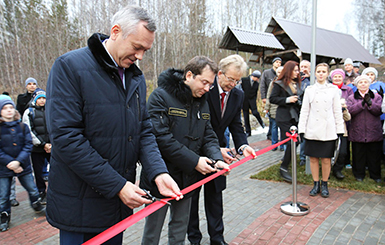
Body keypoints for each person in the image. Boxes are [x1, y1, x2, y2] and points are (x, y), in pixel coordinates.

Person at [45, 5, 181, 244]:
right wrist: (118, 185)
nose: (140, 56)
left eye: (146, 50)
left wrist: (158, 171)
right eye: (137, 47)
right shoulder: (69, 67)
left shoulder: (135, 77)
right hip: (80, 207)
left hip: (116, 206)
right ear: (116, 31)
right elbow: (66, 139)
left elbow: (143, 130)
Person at [140, 56, 229, 245]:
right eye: (204, 82)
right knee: (152, 232)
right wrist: (195, 162)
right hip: (161, 177)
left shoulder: (202, 101)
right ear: (189, 75)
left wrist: (215, 157)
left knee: (179, 230)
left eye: (210, 85)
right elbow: (161, 139)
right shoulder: (160, 97)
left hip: (188, 179)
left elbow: (209, 135)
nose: (207, 89)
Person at [188, 55, 255, 245]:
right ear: (219, 74)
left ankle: (217, 239)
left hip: (219, 155)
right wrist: (214, 149)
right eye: (230, 79)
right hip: (196, 151)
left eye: (237, 80)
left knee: (215, 198)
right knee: (192, 200)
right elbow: (194, 125)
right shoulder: (204, 90)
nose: (233, 84)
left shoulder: (238, 95)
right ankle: (194, 239)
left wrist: (244, 146)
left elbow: (236, 124)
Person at [298, 63, 344, 198]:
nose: (321, 74)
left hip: (328, 130)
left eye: (324, 71)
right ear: (315, 73)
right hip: (312, 129)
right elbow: (305, 110)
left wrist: (339, 129)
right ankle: (315, 183)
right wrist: (302, 129)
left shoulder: (333, 90)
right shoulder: (310, 90)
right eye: (319, 71)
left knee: (326, 159)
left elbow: (337, 111)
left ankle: (325, 183)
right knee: (313, 158)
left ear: (327, 73)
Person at [0, 96, 45, 232]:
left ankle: (36, 205)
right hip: (4, 168)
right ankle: (4, 215)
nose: (9, 110)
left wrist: (18, 161)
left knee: (32, 189)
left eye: (11, 107)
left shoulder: (22, 126)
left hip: (23, 166)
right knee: (3, 195)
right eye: (5, 108)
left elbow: (27, 145)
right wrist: (10, 163)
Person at [269, 61, 302, 182]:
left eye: (298, 70)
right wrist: (287, 100)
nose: (297, 72)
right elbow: (272, 98)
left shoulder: (298, 83)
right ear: (289, 70)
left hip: (295, 116)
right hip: (283, 117)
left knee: (295, 141)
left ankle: (286, 163)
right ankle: (284, 167)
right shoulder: (279, 83)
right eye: (295, 70)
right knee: (292, 141)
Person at [347, 75, 383, 183]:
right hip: (357, 130)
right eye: (360, 82)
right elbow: (350, 111)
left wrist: (370, 103)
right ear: (357, 85)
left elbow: (379, 111)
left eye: (365, 82)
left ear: (369, 84)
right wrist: (361, 104)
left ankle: (375, 175)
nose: (363, 84)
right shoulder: (351, 98)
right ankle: (359, 174)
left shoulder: (377, 97)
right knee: (358, 154)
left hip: (373, 130)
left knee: (374, 155)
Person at [22, 89, 50, 204]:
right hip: (37, 148)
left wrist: (52, 143)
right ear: (35, 99)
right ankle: (42, 192)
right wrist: (42, 144)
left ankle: (56, 191)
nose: (42, 100)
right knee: (38, 173)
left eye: (44, 98)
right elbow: (29, 130)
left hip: (51, 147)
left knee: (57, 170)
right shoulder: (29, 112)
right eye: (40, 98)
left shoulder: (51, 110)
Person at [330, 69, 353, 180]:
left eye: (340, 76)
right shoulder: (328, 89)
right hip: (329, 127)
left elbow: (348, 116)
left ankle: (337, 169)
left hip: (342, 128)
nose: (337, 78)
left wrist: (344, 108)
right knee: (329, 150)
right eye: (335, 76)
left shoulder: (348, 90)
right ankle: (328, 169)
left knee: (342, 152)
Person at [260, 57, 282, 140]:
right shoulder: (267, 73)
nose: (278, 64)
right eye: (276, 62)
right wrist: (263, 97)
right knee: (271, 119)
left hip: (277, 99)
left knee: (274, 122)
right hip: (269, 98)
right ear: (273, 63)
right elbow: (262, 85)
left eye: (280, 62)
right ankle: (271, 136)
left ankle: (271, 135)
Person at [265, 66, 284, 151]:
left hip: (283, 108)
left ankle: (282, 145)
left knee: (283, 128)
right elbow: (269, 95)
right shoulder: (273, 83)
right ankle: (274, 144)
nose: (280, 74)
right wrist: (267, 107)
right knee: (274, 127)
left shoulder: (286, 82)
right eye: (278, 72)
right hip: (273, 108)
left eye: (281, 72)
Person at [241, 70, 264, 136]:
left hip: (252, 100)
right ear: (253, 76)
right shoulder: (244, 80)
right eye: (257, 78)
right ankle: (248, 132)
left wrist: (255, 101)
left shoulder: (256, 84)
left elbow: (255, 94)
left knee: (255, 112)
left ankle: (261, 123)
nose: (257, 79)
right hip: (244, 101)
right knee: (246, 117)